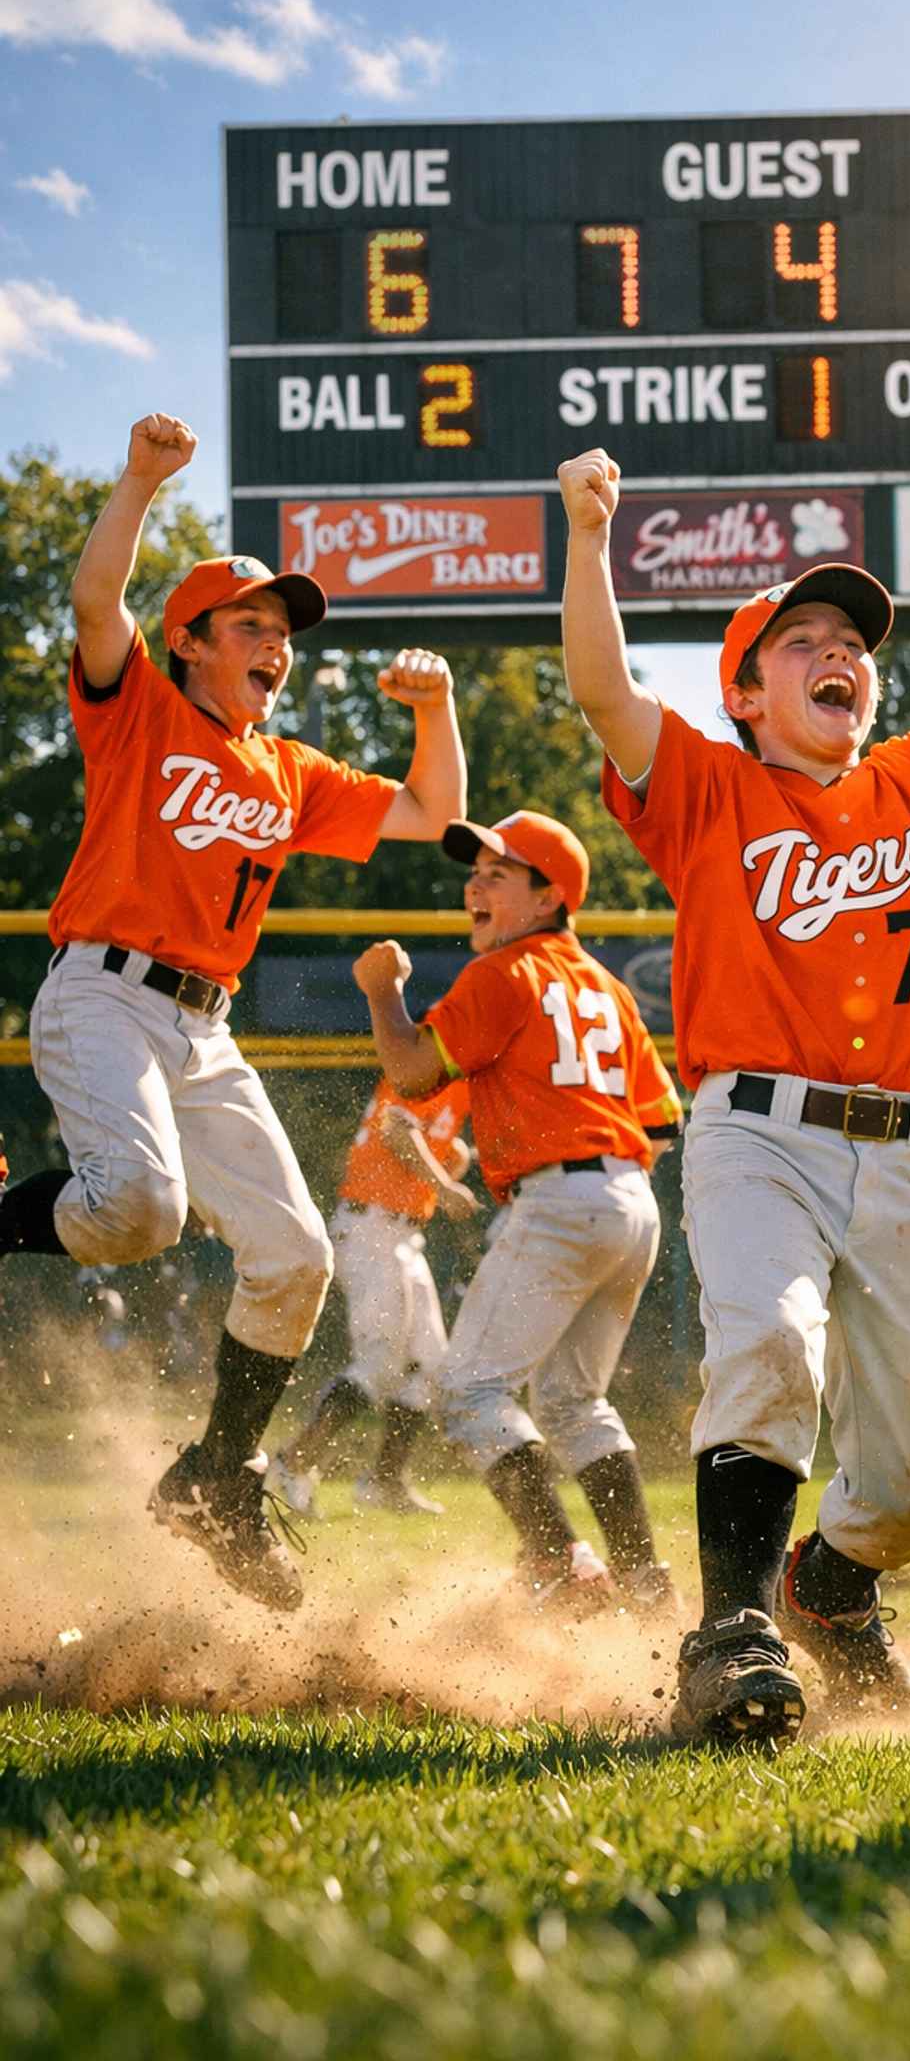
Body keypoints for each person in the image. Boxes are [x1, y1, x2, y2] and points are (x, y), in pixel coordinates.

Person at [559, 439, 910, 1746]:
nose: (840, 651)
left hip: (905, 1158)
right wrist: (588, 537)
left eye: (853, 639)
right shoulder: (711, 788)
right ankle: (735, 1630)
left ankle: (829, 1594)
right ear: (748, 696)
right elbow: (602, 691)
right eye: (802, 639)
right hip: (755, 1130)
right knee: (766, 1340)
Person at [0, 413, 467, 1609]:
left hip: (203, 1032)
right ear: (192, 644)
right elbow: (97, 602)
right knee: (143, 1209)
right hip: (103, 994)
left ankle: (217, 1475)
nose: (275, 645)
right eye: (251, 625)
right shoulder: (142, 713)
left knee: (299, 1259)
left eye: (284, 633)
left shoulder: (295, 771)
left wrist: (434, 707)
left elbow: (431, 812)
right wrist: (140, 483)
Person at [351, 808, 683, 1617]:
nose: (475, 883)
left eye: (497, 873)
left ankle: (562, 1566)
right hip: (631, 1199)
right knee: (573, 1404)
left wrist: (384, 994)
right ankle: (646, 1582)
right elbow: (663, 1123)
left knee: (468, 1395)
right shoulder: (605, 985)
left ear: (548, 897)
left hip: (561, 1198)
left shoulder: (505, 973)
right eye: (476, 871)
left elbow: (412, 1071)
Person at [269, 1079, 477, 1519]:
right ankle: (294, 1463)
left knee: (430, 1366)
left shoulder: (459, 1082)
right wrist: (442, 1184)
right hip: (369, 1231)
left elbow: (431, 1141)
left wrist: (448, 1157)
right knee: (379, 1366)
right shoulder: (421, 1066)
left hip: (401, 1234)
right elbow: (396, 1132)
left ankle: (385, 1481)